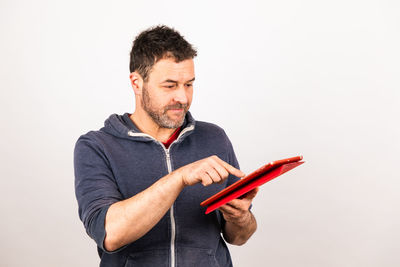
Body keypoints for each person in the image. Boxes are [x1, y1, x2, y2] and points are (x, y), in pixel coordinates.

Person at [74, 25, 258, 267]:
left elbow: (239, 236)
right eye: (170, 86)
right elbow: (110, 233)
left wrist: (242, 217)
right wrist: (179, 177)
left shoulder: (215, 138)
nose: (182, 98)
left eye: (189, 84)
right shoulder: (97, 146)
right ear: (137, 83)